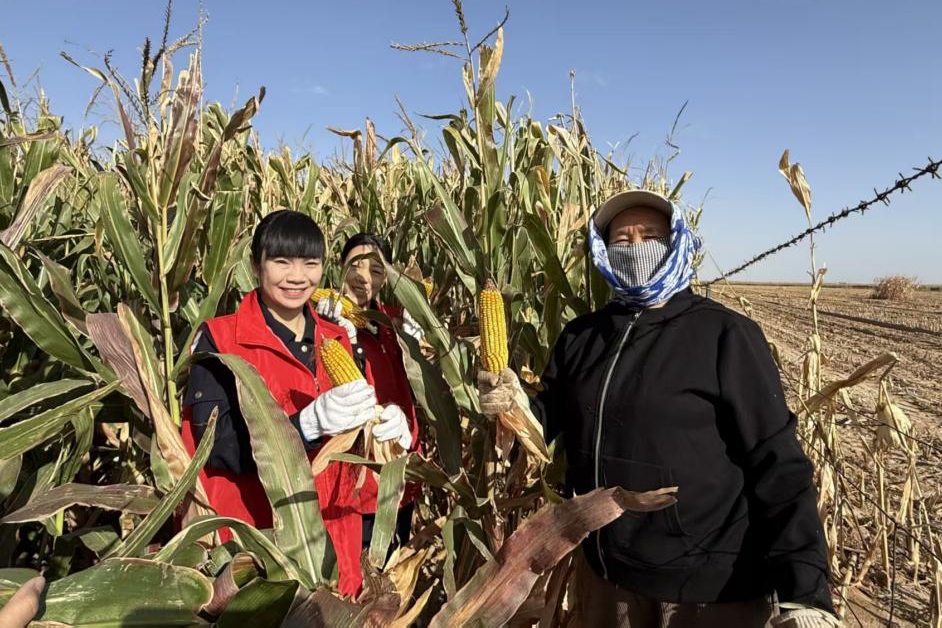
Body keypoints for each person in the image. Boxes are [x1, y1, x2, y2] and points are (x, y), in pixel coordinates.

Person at [478, 190, 839, 627]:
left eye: (649, 236)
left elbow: (777, 463)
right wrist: (512, 402)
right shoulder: (581, 337)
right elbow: (546, 422)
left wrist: (806, 591)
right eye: (620, 240)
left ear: (677, 244)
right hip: (608, 580)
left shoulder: (725, 335)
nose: (634, 249)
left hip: (707, 591)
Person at [181, 210, 412, 596]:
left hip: (336, 549)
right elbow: (212, 445)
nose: (297, 276)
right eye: (281, 261)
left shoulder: (339, 337)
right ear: (256, 265)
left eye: (311, 263)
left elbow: (357, 426)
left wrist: (386, 427)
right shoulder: (219, 340)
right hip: (259, 549)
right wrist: (300, 428)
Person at [315, 233, 422, 546]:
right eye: (355, 266)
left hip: (400, 478)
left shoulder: (394, 322)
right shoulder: (317, 322)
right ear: (339, 266)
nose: (364, 278)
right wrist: (340, 336)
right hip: (352, 490)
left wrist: (416, 349)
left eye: (376, 271)